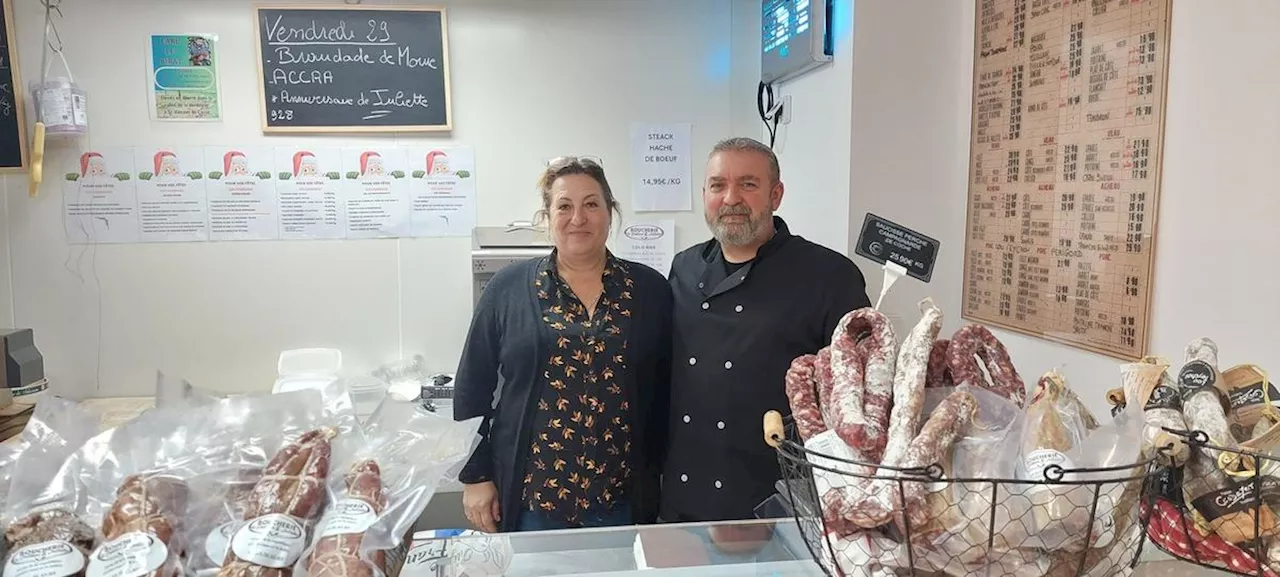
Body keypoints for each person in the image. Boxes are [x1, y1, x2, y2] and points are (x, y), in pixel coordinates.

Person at [454, 157, 673, 533]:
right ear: (547, 216)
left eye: (591, 204)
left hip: (622, 500)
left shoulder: (650, 290)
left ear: (610, 211)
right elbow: (472, 387)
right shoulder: (507, 289)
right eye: (565, 206)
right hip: (530, 503)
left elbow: (668, 388)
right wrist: (475, 476)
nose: (578, 218)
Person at [660, 137, 872, 522]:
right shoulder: (684, 267)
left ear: (776, 195)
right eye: (718, 185)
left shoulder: (830, 277)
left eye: (748, 184)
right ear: (704, 193)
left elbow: (859, 392)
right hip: (684, 498)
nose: (731, 198)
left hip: (779, 500)